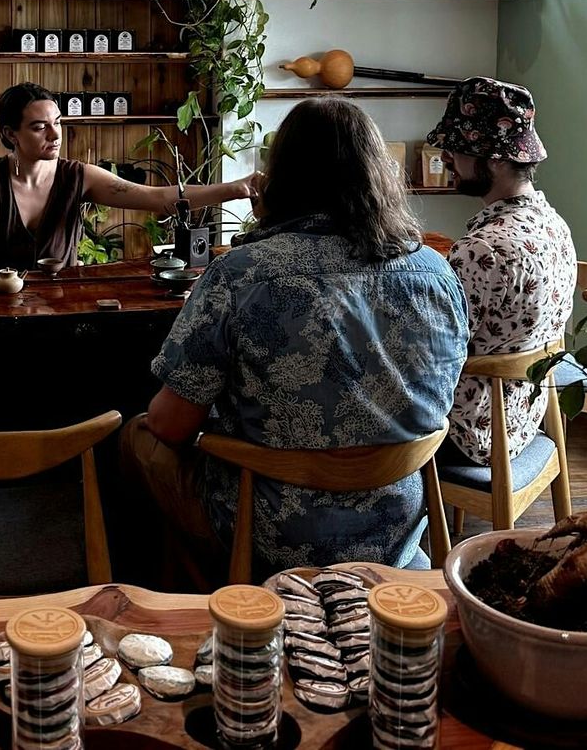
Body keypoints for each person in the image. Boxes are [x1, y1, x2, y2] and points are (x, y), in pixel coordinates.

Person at [121, 98, 468, 576]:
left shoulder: (241, 274)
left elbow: (169, 425)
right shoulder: (436, 272)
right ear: (379, 176)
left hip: (271, 534)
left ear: (280, 176)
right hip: (398, 527)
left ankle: (187, 587)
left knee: (138, 436)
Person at [0, 82, 263, 273]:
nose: (54, 135)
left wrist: (237, 188)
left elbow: (158, 198)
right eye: (39, 127)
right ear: (10, 133)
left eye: (58, 123)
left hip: (58, 315)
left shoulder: (78, 176)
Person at [428, 76, 577, 465]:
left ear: (495, 158)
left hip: (469, 434)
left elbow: (433, 356)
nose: (446, 157)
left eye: (457, 148)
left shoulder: (482, 250)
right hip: (523, 420)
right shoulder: (553, 224)